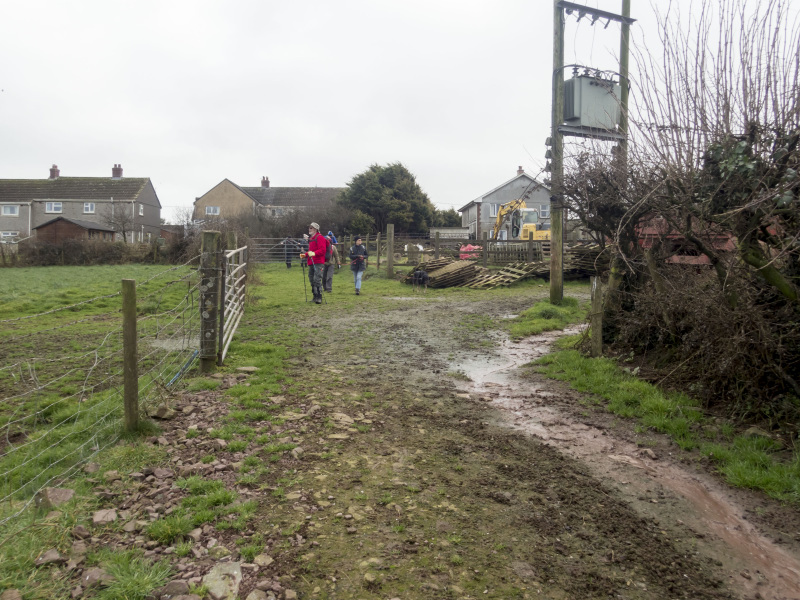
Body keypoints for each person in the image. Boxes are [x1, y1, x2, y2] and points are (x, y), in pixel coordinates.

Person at [300, 222, 326, 304]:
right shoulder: (311, 239)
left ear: (315, 229)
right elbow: (311, 251)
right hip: (311, 262)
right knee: (311, 279)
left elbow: (323, 250)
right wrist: (305, 255)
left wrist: (314, 253)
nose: (309, 229)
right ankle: (314, 296)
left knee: (317, 279)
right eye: (309, 228)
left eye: (311, 228)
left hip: (318, 262)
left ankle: (319, 297)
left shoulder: (320, 237)